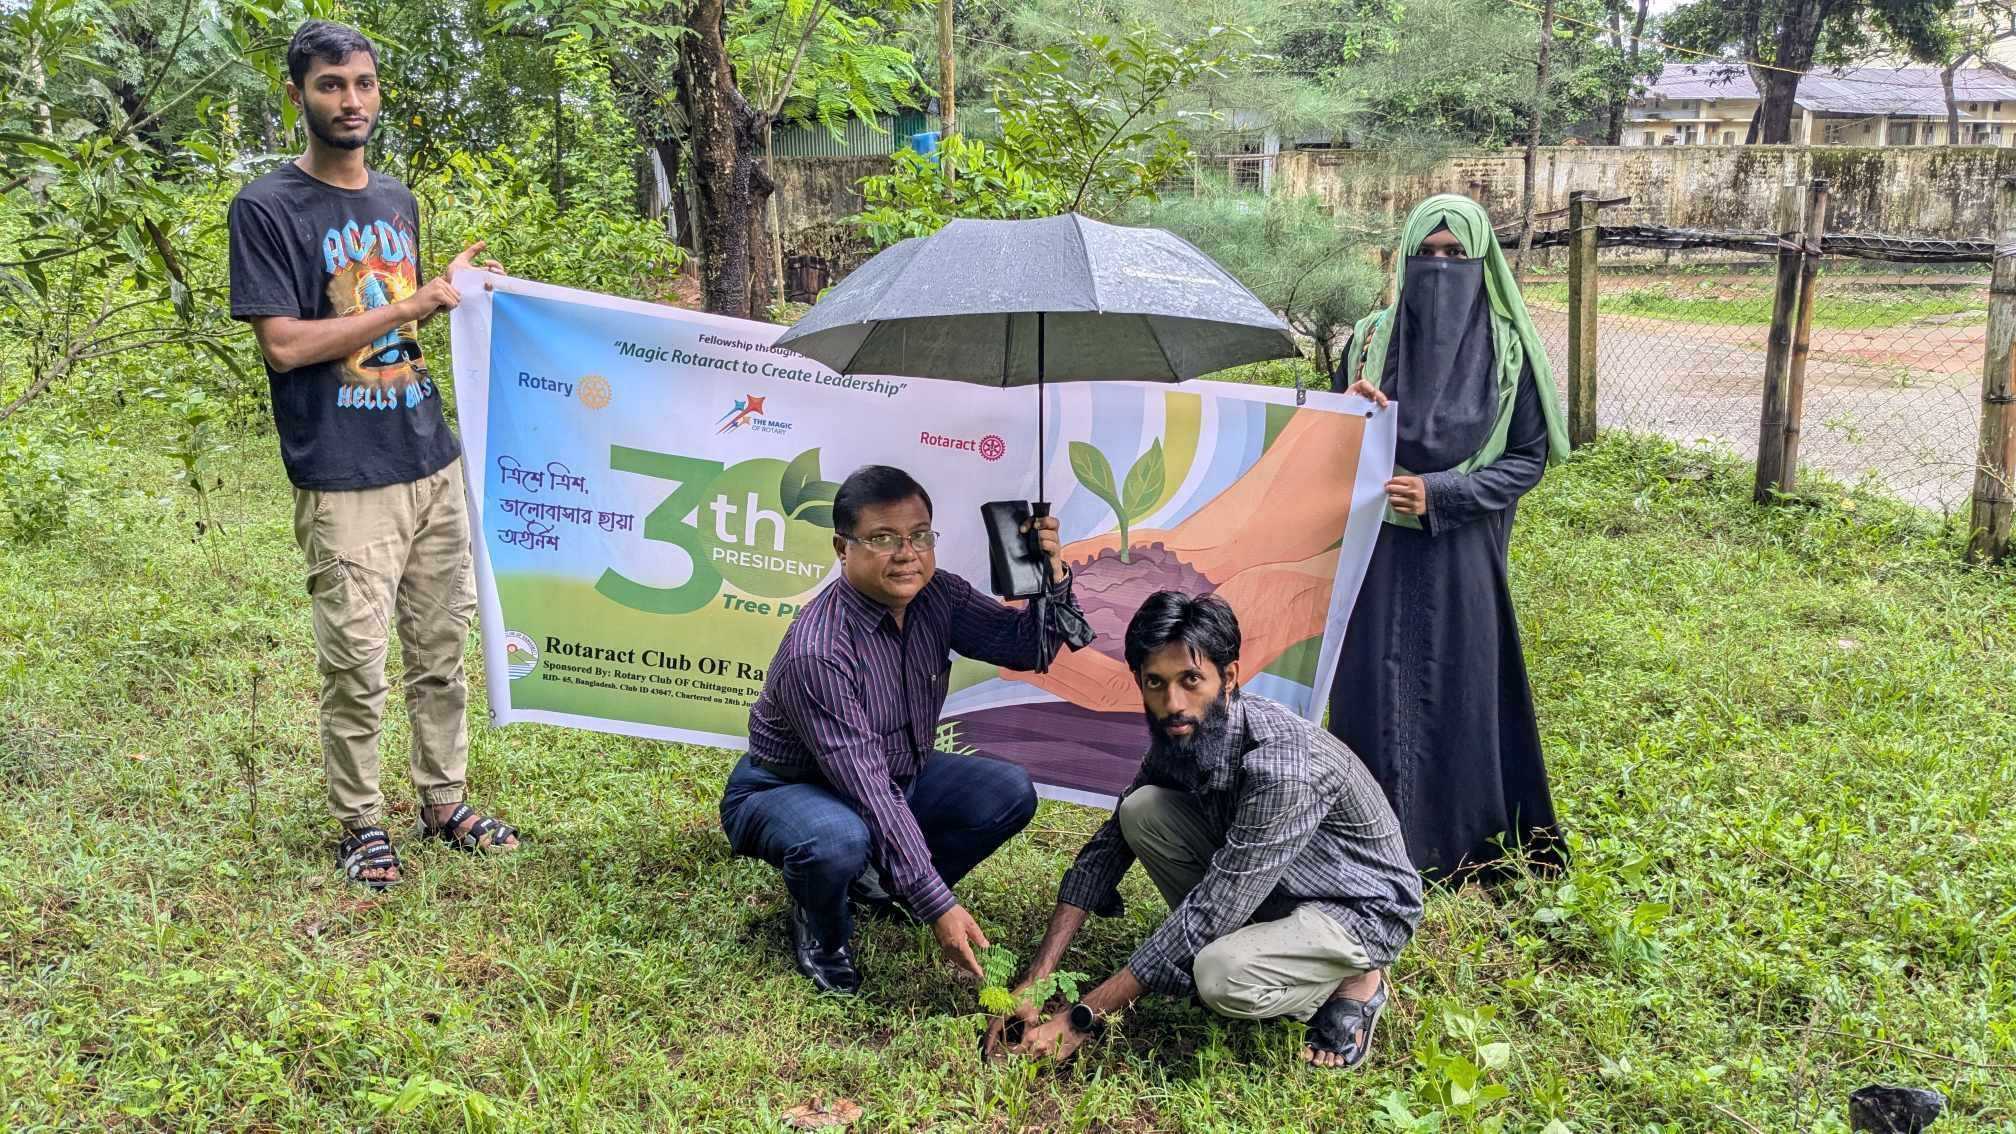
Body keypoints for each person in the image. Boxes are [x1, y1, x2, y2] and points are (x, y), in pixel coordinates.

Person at [228, 19, 516, 892]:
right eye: (330, 85)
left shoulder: (396, 200)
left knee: (440, 650)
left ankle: (444, 801)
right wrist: (409, 309)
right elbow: (283, 345)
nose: (350, 101)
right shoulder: (267, 208)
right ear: (297, 95)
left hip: (429, 456)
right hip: (344, 475)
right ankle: (360, 822)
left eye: (363, 83)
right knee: (356, 665)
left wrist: (452, 296)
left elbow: (406, 316)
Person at [988, 592, 1422, 1070]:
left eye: (1190, 680)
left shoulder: (1283, 768)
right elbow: (1109, 847)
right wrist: (1039, 974)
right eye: (1155, 683)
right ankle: (1272, 952)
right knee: (1141, 809)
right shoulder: (1183, 735)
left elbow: (1213, 909)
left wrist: (1079, 1019)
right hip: (1275, 888)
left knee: (1220, 975)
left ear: (1229, 677)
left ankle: (1356, 982)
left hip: (1355, 909)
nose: (1173, 703)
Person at [720, 466, 1083, 995]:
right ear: (842, 548)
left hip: (896, 773)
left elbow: (1027, 648)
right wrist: (939, 903)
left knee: (1008, 793)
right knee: (840, 839)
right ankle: (821, 926)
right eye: (883, 538)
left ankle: (882, 888)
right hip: (789, 787)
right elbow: (866, 787)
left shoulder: (939, 597)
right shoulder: (819, 652)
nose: (906, 553)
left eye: (919, 535)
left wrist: (1051, 577)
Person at [1329, 194, 1572, 880]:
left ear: (1480, 261)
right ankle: (1364, 839)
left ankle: (1463, 846)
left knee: (1461, 686)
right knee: (1369, 687)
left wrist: (1445, 493)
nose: (1439, 268)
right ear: (1404, 260)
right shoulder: (1368, 341)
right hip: (1376, 543)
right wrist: (1347, 412)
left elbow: (1527, 458)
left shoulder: (1508, 351)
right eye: (1425, 255)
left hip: (1463, 546)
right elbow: (1326, 443)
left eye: (1454, 255)